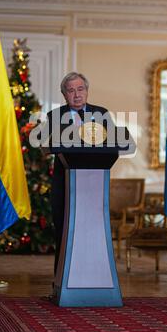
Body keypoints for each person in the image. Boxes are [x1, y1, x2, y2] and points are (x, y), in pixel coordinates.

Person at [47, 72, 111, 274]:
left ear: (87, 91)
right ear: (64, 94)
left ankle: (95, 276)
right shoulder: (54, 116)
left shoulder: (102, 114)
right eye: (71, 90)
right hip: (64, 184)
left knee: (93, 233)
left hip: (94, 184)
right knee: (64, 231)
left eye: (80, 89)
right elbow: (50, 145)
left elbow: (112, 144)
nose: (76, 94)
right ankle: (61, 279)